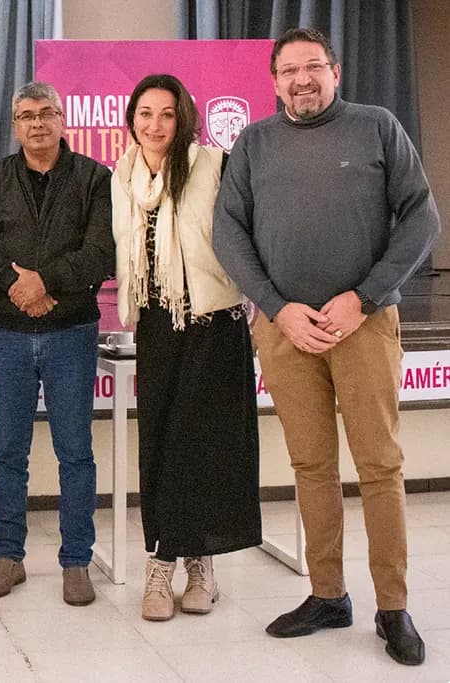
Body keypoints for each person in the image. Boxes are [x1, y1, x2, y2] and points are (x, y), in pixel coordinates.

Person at [213, 27, 440, 666]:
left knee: (379, 466)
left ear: (335, 72)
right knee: (311, 468)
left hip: (363, 326)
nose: (302, 79)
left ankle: (392, 606)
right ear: (274, 80)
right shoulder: (253, 143)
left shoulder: (377, 127)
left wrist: (363, 297)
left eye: (314, 66)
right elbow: (228, 231)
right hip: (286, 333)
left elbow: (422, 216)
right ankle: (328, 594)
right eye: (290, 70)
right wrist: (279, 309)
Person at [111, 75, 261, 621]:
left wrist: (260, 294)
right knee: (159, 444)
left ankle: (197, 564)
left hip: (212, 323)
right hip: (157, 323)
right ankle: (160, 562)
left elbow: (248, 233)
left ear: (185, 118)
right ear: (132, 119)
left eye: (166, 114)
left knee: (203, 447)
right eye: (145, 113)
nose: (154, 125)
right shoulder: (122, 175)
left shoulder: (213, 166)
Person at [0, 81, 113, 605]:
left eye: (47, 113)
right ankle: (10, 557)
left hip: (71, 332)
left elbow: (101, 252)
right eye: (27, 115)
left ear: (63, 118)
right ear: (15, 125)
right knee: (9, 452)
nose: (38, 123)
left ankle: (76, 562)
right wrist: (15, 284)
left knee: (75, 452)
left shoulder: (95, 178)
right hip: (8, 333)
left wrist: (45, 283)